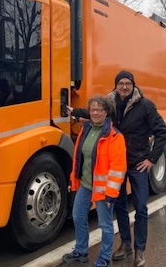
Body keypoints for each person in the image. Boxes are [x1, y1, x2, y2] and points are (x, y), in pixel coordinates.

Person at [69, 70, 166, 267]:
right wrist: (74, 112)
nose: (124, 86)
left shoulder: (146, 106)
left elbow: (162, 132)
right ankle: (125, 244)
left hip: (137, 163)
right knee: (121, 207)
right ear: (116, 85)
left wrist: (151, 159)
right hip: (117, 164)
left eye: (128, 83)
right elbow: (95, 113)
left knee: (140, 207)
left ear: (133, 86)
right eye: (121, 83)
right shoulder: (111, 103)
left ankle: (140, 250)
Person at [62, 96, 126, 267]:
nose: (96, 113)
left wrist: (110, 194)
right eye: (92, 110)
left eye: (99, 110)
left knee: (105, 224)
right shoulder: (86, 130)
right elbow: (79, 159)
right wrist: (73, 180)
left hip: (103, 190)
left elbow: (118, 168)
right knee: (77, 216)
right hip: (85, 184)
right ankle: (81, 251)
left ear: (106, 112)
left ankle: (104, 258)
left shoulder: (114, 137)